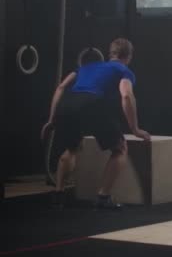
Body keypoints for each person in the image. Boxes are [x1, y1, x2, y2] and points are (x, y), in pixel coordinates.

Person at [41, 38, 151, 210]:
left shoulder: (85, 67)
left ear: (110, 53)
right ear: (128, 56)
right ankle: (103, 197)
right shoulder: (123, 70)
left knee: (71, 149)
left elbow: (61, 87)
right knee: (120, 149)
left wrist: (51, 119)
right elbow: (126, 96)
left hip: (68, 103)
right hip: (92, 103)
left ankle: (58, 195)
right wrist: (135, 129)